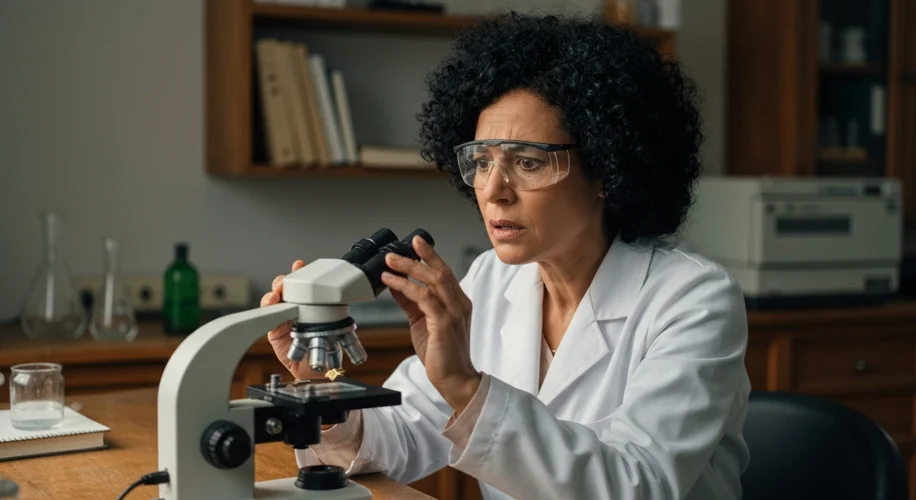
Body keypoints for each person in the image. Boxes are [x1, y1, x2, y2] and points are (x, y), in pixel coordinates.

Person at [261, 12, 751, 500]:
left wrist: (464, 385)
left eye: (528, 162)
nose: (493, 191)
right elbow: (402, 436)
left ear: (607, 170)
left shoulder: (694, 300)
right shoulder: (491, 280)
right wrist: (319, 392)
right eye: (480, 162)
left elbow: (637, 486)